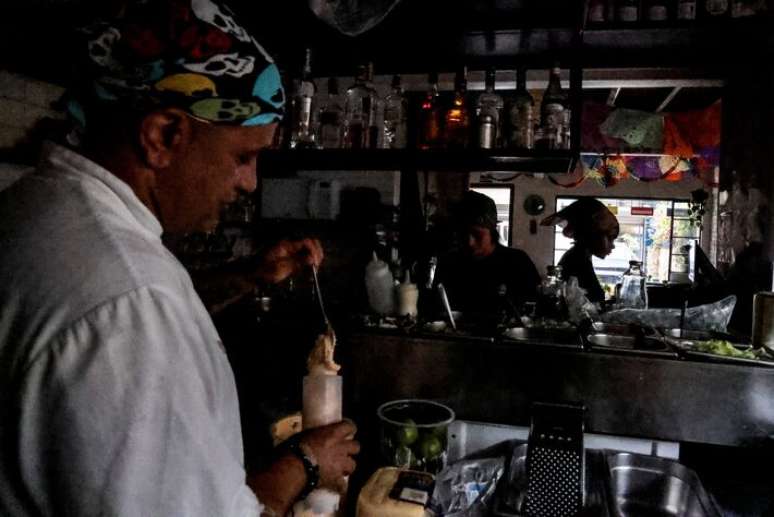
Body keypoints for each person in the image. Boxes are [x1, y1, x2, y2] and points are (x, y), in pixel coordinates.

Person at [0, 1, 358, 516]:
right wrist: (304, 463)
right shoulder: (133, 304)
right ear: (163, 135)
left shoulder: (33, 207)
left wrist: (248, 276)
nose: (249, 184)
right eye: (243, 156)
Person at [435, 190, 540, 328]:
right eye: (462, 234)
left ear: (492, 231)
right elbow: (435, 309)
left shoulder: (517, 262)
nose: (469, 242)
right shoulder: (449, 262)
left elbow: (535, 311)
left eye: (477, 235)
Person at [540, 197, 619, 304]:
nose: (613, 246)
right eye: (610, 238)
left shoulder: (579, 255)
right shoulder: (578, 259)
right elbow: (592, 300)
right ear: (594, 234)